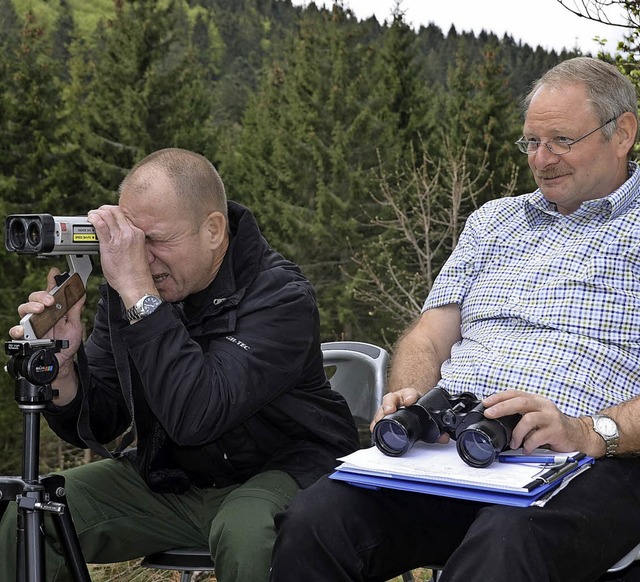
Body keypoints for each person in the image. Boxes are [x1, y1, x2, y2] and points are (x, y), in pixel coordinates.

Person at [269, 57, 640, 582]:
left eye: (560, 140)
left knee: (505, 547)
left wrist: (590, 432)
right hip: (451, 449)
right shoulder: (493, 221)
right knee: (315, 522)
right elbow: (429, 335)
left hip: (587, 463)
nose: (542, 159)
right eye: (531, 143)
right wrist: (410, 395)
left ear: (622, 132)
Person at [0, 148, 360, 582]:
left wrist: (138, 294)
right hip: (176, 480)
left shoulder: (280, 296)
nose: (142, 259)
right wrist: (64, 371)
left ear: (213, 230)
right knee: (34, 512)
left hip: (285, 472)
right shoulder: (132, 294)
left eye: (155, 241)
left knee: (248, 532)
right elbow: (105, 415)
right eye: (133, 241)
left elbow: (198, 415)